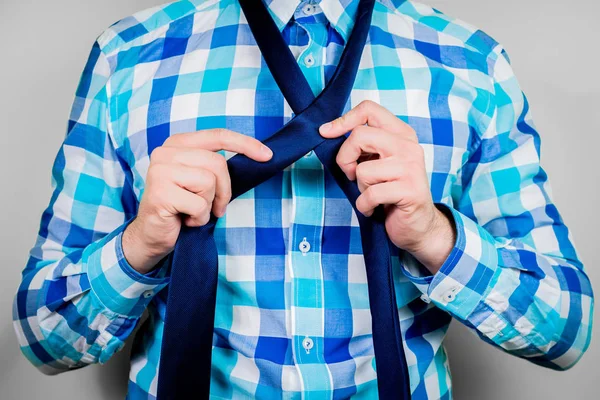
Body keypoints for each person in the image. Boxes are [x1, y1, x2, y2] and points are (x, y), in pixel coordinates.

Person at [12, 0, 594, 398]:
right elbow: (43, 338)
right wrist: (139, 247)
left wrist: (435, 237)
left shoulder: (471, 63)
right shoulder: (130, 57)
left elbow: (566, 330)